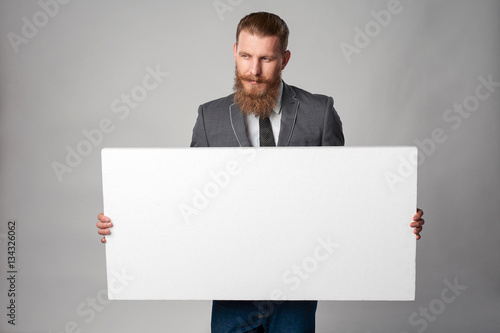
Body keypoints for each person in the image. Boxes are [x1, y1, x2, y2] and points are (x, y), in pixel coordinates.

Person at [96, 12, 425, 333]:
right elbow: (189, 200)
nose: (253, 71)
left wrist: (393, 219)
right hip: (230, 288)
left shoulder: (319, 111)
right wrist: (128, 224)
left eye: (266, 59)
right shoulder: (209, 117)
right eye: (245, 56)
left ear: (285, 58)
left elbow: (344, 194)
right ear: (234, 52)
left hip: (297, 288)